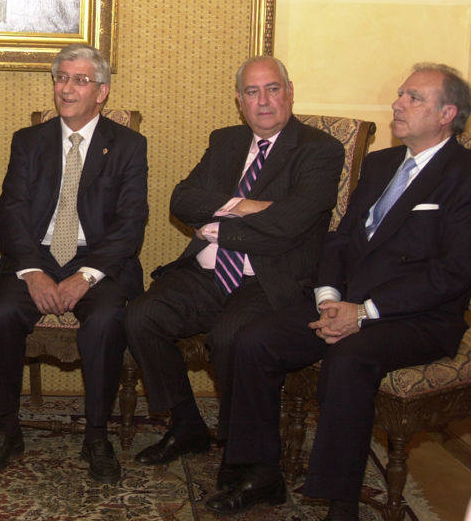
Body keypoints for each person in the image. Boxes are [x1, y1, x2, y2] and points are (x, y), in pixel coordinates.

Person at [208, 63, 471, 520]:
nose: (397, 104)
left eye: (413, 98)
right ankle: (261, 471)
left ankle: (341, 502)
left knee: (349, 358)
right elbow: (341, 238)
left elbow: (453, 273)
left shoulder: (465, 174)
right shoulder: (381, 163)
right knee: (255, 338)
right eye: (400, 94)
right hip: (345, 302)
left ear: (447, 113)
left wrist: (364, 311)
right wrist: (329, 297)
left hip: (418, 318)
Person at [123, 56, 345, 469]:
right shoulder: (225, 141)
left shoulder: (320, 150)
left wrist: (221, 226)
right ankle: (186, 424)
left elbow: (292, 223)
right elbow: (183, 199)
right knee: (141, 316)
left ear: (290, 91)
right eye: (251, 91)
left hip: (269, 276)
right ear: (239, 101)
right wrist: (247, 205)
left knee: (230, 337)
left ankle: (239, 452)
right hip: (208, 272)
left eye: (272, 88)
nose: (263, 101)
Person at [0, 44, 148, 483]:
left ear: (102, 92)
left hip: (99, 260)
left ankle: (96, 434)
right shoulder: (28, 141)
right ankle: (7, 427)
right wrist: (33, 272)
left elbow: (130, 225)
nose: (67, 88)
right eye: (61, 78)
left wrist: (84, 277)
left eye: (80, 80)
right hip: (36, 255)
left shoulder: (128, 146)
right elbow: (10, 212)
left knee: (108, 318)